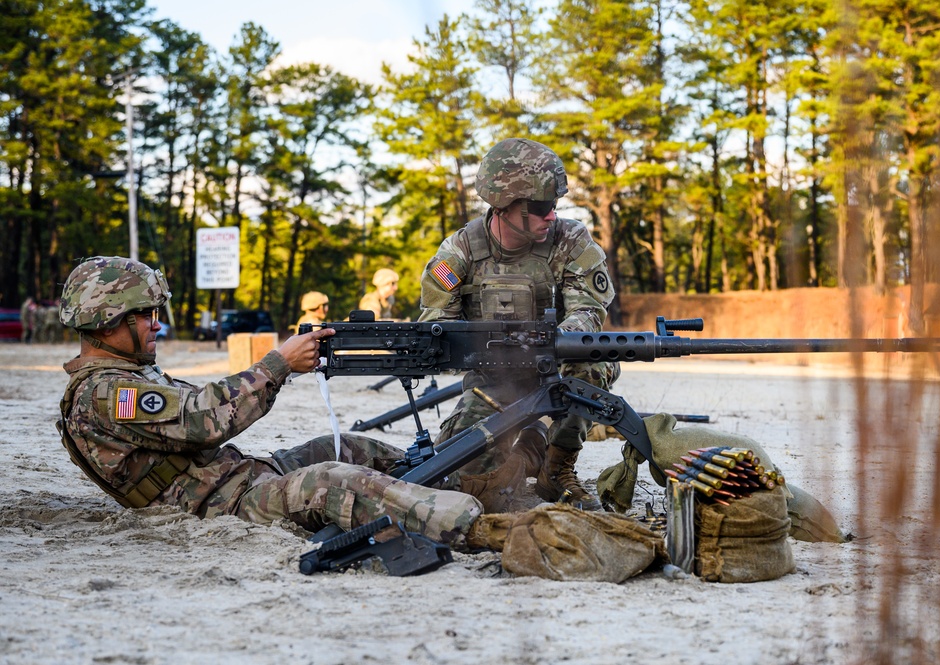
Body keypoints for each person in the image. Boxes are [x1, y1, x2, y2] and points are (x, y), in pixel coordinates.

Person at [56, 256, 518, 548]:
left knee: (350, 449)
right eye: (147, 316)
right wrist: (277, 365)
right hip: (219, 505)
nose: (157, 326)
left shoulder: (122, 379)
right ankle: (480, 528)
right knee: (334, 480)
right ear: (107, 320)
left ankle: (468, 487)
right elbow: (204, 421)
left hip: (234, 479)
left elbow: (196, 408)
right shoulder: (106, 393)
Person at [419, 137, 618, 511]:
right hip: (493, 380)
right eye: (542, 207)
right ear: (503, 205)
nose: (552, 216)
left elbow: (588, 311)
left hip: (558, 367)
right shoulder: (459, 252)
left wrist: (555, 338)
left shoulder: (569, 240)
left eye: (555, 205)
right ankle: (532, 445)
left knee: (591, 361)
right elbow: (437, 329)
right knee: (471, 484)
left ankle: (557, 468)